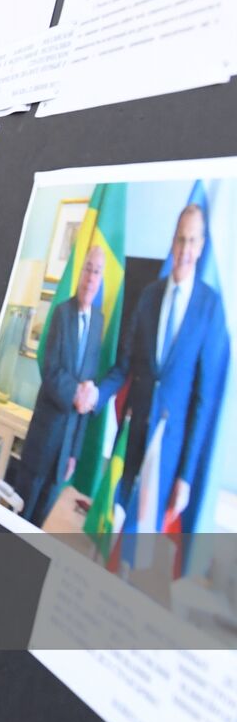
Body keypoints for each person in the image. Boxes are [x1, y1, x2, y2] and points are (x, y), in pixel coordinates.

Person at [85, 204, 229, 533]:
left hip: (168, 454)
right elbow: (124, 367)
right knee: (107, 531)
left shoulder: (210, 307)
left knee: (139, 548)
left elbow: (204, 400)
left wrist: (185, 476)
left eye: (192, 241)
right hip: (130, 441)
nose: (185, 250)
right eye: (180, 240)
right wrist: (96, 394)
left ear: (202, 245)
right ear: (172, 242)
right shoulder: (149, 296)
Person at [15, 246, 106, 526]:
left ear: (101, 280)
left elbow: (88, 384)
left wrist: (75, 453)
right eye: (88, 269)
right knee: (20, 511)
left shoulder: (98, 323)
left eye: (97, 272)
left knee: (42, 519)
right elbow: (50, 370)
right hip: (43, 439)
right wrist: (77, 394)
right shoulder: (60, 314)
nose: (91, 277)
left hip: (66, 448)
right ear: (80, 273)